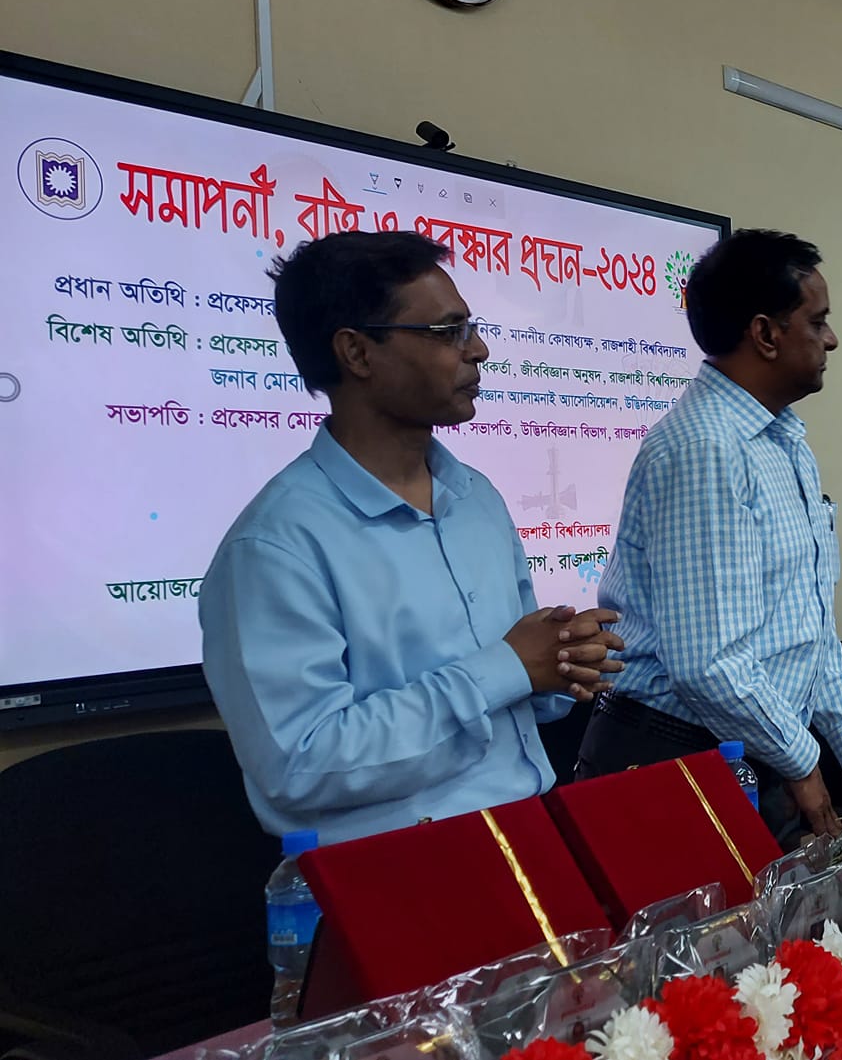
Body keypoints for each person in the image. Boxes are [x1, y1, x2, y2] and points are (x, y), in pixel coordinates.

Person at [199, 231, 623, 846]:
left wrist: (559, 661)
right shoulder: (275, 547)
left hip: (531, 834)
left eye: (470, 328)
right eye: (447, 332)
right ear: (357, 352)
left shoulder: (476, 499)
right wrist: (506, 667)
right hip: (400, 870)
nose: (478, 350)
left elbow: (522, 694)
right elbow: (301, 765)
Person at [586, 229, 842, 845]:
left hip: (756, 748)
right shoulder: (706, 449)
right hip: (675, 761)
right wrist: (802, 761)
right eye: (817, 322)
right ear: (766, 334)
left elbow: (806, 629)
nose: (831, 339)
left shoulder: (782, 441)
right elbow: (708, 665)